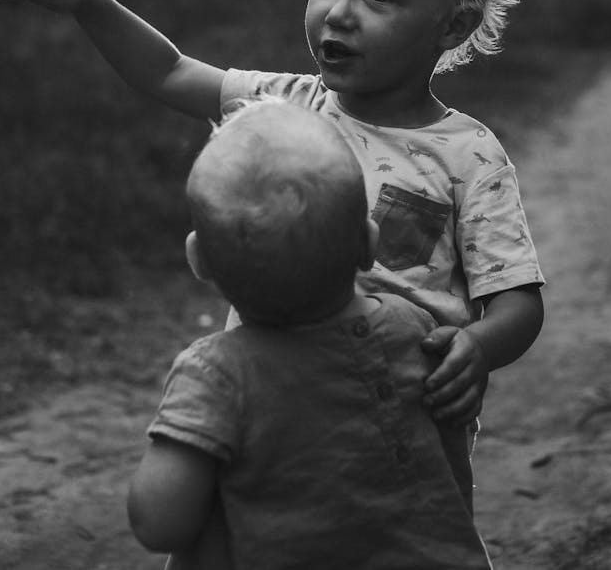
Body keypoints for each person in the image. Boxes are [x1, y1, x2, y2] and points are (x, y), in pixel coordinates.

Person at [0, 0, 544, 473]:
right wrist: (92, 5)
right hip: (269, 397)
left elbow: (516, 302)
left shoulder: (469, 155)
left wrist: (477, 347)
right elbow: (169, 72)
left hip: (403, 426)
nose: (340, 12)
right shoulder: (287, 104)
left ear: (452, 25)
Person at [128, 98, 493, 569]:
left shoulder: (215, 375)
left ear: (199, 260)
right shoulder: (418, 331)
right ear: (368, 244)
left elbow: (160, 523)